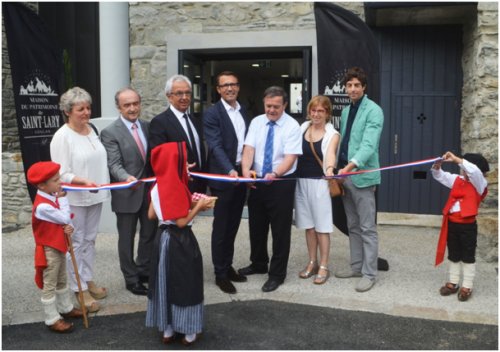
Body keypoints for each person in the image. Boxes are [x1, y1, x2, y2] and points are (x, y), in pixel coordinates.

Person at [145, 142, 215, 346]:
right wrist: (199, 206)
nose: (188, 165)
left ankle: (167, 329)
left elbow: (151, 215)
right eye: (184, 162)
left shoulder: (158, 184)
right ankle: (189, 332)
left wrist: (187, 208)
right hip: (179, 241)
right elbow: (182, 222)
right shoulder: (175, 186)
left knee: (164, 282)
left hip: (162, 238)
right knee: (186, 283)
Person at [50, 87, 110, 312]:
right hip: (75, 198)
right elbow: (60, 173)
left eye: (88, 107)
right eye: (80, 109)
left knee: (90, 239)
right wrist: (82, 181)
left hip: (96, 194)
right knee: (76, 242)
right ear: (68, 111)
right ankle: (79, 289)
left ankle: (87, 278)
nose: (86, 112)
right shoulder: (62, 137)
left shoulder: (91, 129)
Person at [238, 86, 302, 293]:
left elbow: (290, 157)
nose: (271, 110)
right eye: (268, 106)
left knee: (280, 230)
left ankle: (277, 274)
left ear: (284, 105)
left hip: (281, 182)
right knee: (256, 225)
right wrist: (246, 171)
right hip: (257, 180)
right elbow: (249, 149)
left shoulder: (292, 126)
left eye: (276, 106)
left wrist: (275, 174)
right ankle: (258, 263)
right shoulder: (257, 122)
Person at [101, 87, 158, 296]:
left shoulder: (148, 126)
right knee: (126, 238)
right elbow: (113, 164)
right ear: (119, 107)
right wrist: (126, 178)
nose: (132, 108)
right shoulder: (110, 132)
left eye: (135, 103)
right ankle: (131, 279)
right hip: (127, 192)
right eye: (127, 105)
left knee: (149, 233)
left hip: (149, 193)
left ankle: (144, 270)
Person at [334, 67, 384, 293]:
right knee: (353, 225)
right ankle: (356, 266)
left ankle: (369, 273)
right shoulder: (345, 112)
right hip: (345, 176)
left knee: (367, 227)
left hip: (361, 176)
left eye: (357, 85)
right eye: (349, 85)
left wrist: (350, 166)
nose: (352, 89)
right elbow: (344, 142)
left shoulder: (374, 111)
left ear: (364, 87)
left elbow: (368, 145)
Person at [203, 71, 251, 294]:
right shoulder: (212, 114)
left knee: (233, 225)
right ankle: (220, 274)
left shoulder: (245, 112)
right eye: (225, 86)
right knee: (221, 227)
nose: (230, 88)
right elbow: (215, 146)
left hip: (241, 177)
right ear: (218, 90)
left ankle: (228, 265)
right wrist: (230, 170)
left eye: (233, 84)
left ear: (238, 87)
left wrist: (247, 171)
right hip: (224, 178)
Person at [27, 161, 84, 333]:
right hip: (48, 249)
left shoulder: (51, 198)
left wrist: (69, 228)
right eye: (55, 180)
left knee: (62, 279)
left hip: (58, 245)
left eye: (59, 178)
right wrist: (64, 200)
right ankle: (51, 318)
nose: (60, 182)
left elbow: (67, 222)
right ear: (42, 185)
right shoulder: (43, 206)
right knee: (50, 283)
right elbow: (64, 217)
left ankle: (66, 308)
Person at [431, 151, 489, 302]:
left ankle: (467, 286)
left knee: (468, 257)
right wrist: (437, 168)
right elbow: (441, 176)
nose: (463, 171)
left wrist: (457, 159)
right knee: (454, 254)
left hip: (467, 227)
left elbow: (474, 172)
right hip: (452, 224)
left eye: (464, 168)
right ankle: (453, 282)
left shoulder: (480, 183)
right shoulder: (457, 179)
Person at [295, 96, 340, 285]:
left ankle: (324, 265)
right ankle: (312, 261)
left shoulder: (333, 134)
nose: (316, 114)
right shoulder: (302, 128)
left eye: (321, 111)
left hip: (320, 183)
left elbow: (330, 154)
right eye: (313, 110)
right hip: (301, 182)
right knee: (309, 226)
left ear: (327, 113)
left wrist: (330, 169)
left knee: (322, 227)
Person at [149, 74, 207, 194]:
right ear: (169, 96)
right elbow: (158, 156)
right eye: (179, 93)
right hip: (177, 186)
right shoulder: (160, 122)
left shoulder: (194, 120)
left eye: (188, 93)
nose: (185, 97)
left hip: (198, 184)